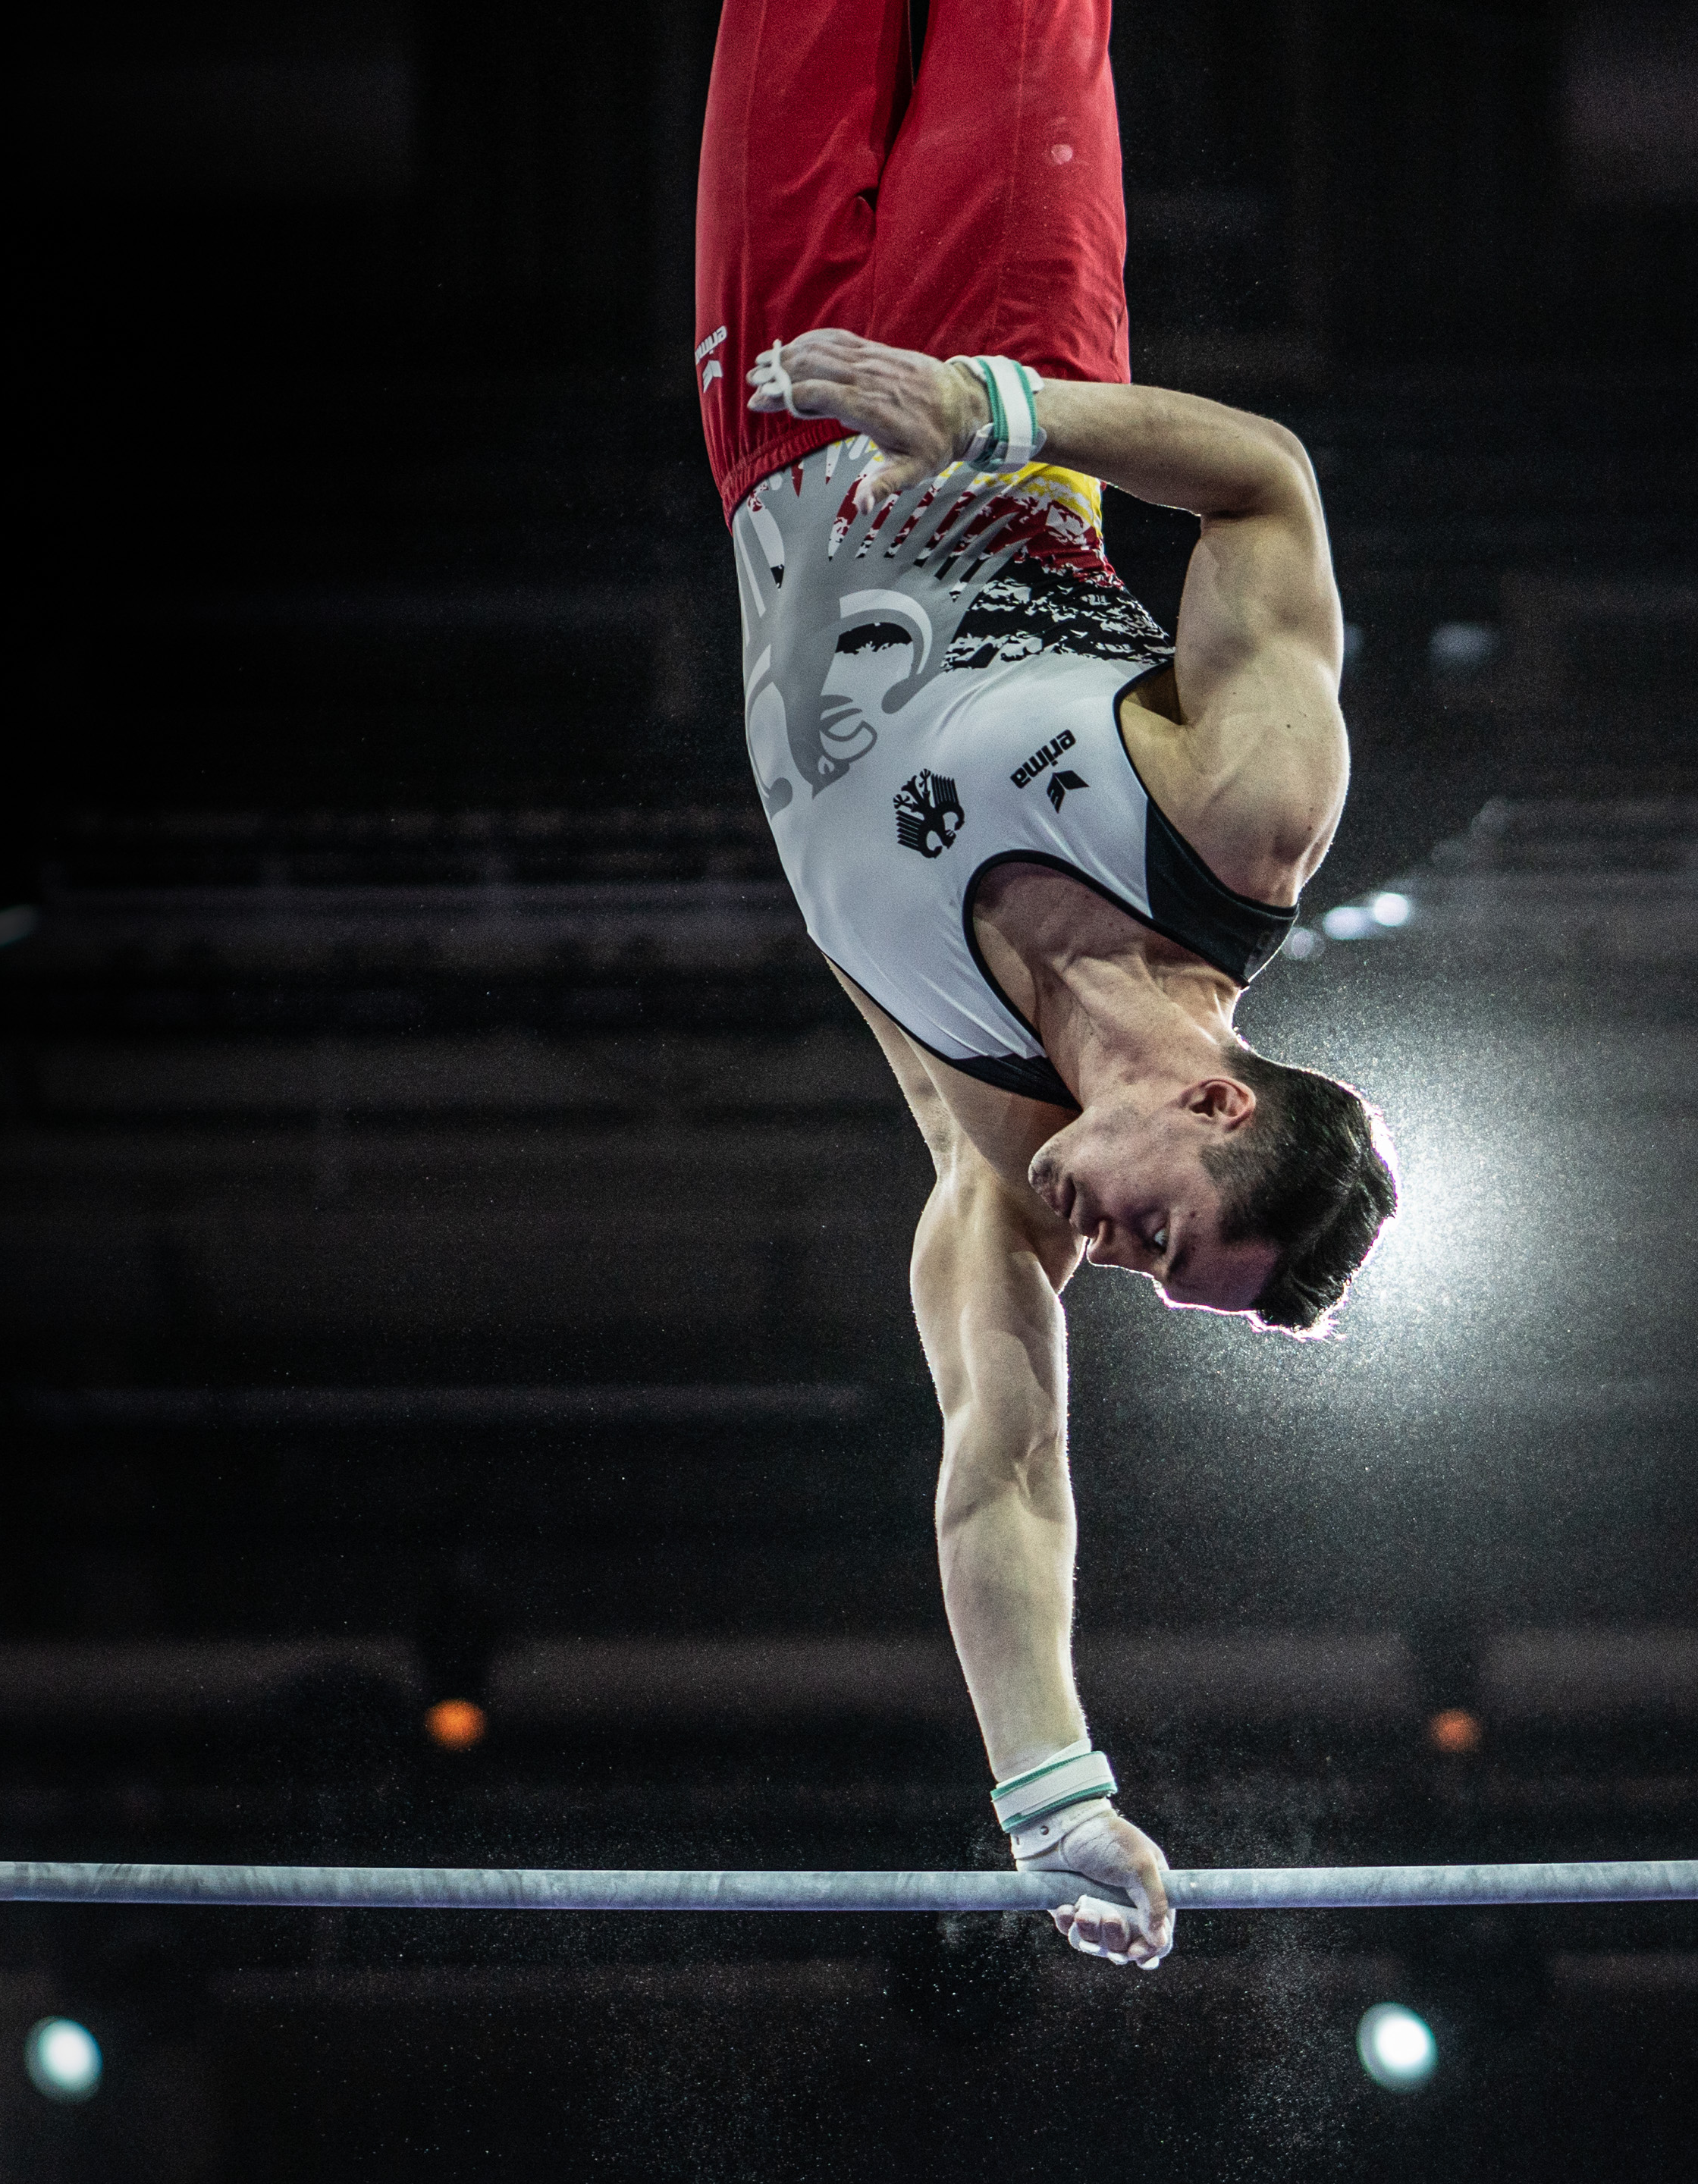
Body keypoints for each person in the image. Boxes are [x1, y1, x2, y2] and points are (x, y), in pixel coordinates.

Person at [692, 0, 1398, 1971]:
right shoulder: (1242, 824)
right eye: (1175, 1244)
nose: (1119, 1255)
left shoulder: (988, 1168)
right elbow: (1266, 487)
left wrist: (1056, 1795)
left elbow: (1006, 1477)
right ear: (1218, 1105)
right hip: (982, 347)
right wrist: (996, 411)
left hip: (769, 425)